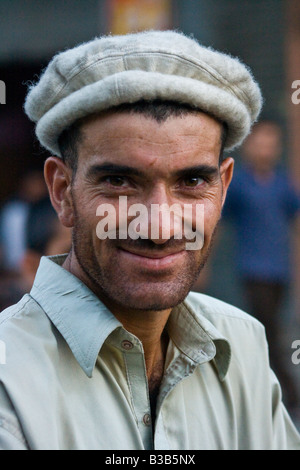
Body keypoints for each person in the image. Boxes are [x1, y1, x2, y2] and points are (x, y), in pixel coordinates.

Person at [0, 30, 299, 451]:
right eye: (119, 181)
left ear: (224, 188)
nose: (159, 228)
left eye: (193, 181)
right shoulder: (9, 383)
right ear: (62, 192)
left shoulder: (242, 343)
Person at [223, 121, 300, 412]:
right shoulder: (239, 183)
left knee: (273, 330)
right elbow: (216, 223)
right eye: (260, 141)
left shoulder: (282, 183)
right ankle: (290, 394)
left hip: (281, 271)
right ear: (249, 145)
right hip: (253, 270)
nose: (265, 147)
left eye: (271, 141)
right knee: (268, 329)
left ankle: (269, 391)